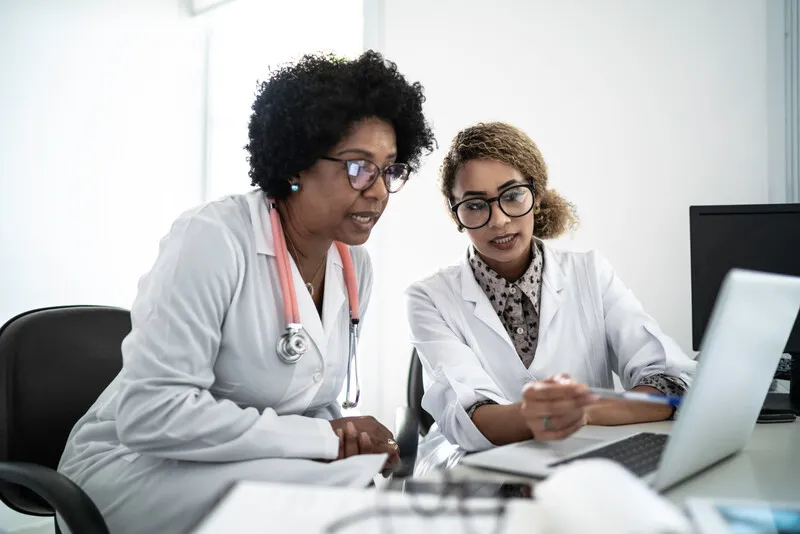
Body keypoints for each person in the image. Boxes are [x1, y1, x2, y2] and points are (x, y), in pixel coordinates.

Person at [57, 51, 435, 534]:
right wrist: (322, 438)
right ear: (296, 165)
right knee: (329, 498)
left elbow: (307, 398)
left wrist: (345, 436)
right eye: (358, 167)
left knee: (353, 485)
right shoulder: (213, 238)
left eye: (390, 170)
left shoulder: (352, 265)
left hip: (247, 464)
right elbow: (151, 414)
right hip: (133, 466)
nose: (379, 191)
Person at [405, 122, 695, 459]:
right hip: (479, 470)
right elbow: (470, 419)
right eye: (475, 205)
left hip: (583, 462)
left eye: (512, 196)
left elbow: (671, 384)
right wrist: (554, 414)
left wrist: (583, 412)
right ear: (456, 213)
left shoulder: (590, 272)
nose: (498, 220)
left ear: (537, 194)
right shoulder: (428, 297)